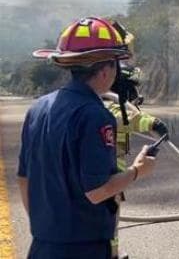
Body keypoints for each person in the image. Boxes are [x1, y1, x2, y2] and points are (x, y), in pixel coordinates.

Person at [18, 17, 158, 259]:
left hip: (42, 245)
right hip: (83, 248)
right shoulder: (95, 115)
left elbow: (23, 179)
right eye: (116, 64)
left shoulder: (38, 108)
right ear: (105, 71)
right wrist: (138, 170)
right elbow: (97, 191)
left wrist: (49, 230)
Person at [101, 63, 169, 258]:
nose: (136, 93)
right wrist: (153, 123)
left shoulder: (101, 102)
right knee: (107, 219)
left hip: (111, 177)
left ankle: (112, 252)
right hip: (105, 178)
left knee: (110, 219)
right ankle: (110, 254)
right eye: (132, 87)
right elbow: (126, 118)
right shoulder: (107, 106)